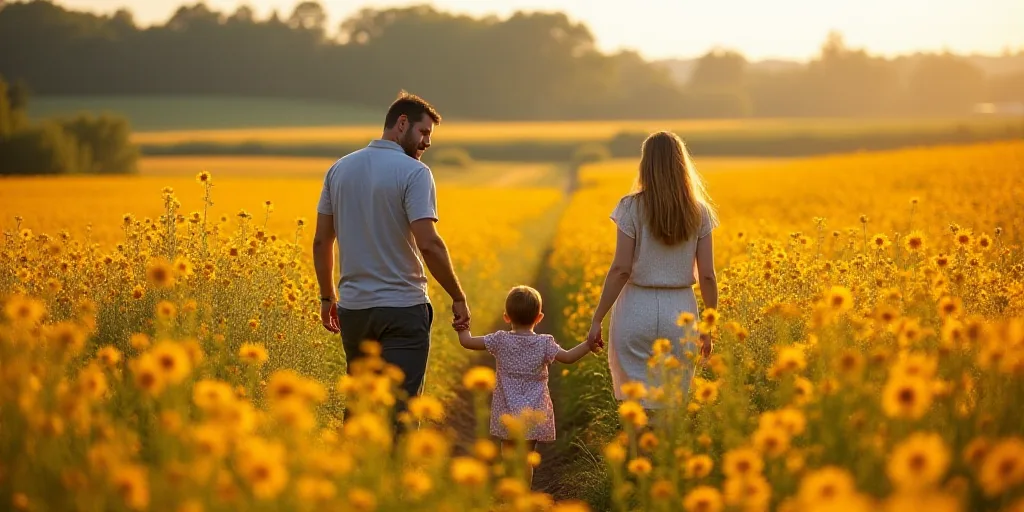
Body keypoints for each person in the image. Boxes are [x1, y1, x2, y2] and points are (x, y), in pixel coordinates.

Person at [313, 91, 471, 426]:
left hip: (354, 309)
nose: (427, 142)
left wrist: (328, 297)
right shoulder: (414, 172)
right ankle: (397, 475)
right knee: (401, 408)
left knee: (359, 406)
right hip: (403, 309)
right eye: (424, 132)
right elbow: (429, 244)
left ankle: (357, 473)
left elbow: (321, 240)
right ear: (402, 124)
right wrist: (457, 296)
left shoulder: (338, 169)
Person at [586, 131, 719, 411]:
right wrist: (709, 326)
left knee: (636, 401)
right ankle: (664, 453)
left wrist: (598, 317)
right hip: (680, 311)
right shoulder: (700, 211)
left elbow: (621, 269)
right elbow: (707, 275)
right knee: (672, 399)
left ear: (645, 164)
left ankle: (639, 450)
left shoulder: (630, 207)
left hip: (636, 308)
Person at [453, 285, 601, 486]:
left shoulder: (500, 340)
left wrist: (462, 325)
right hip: (534, 410)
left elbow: (467, 342)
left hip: (507, 409)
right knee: (526, 459)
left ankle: (512, 493)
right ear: (539, 317)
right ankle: (523, 495)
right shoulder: (545, 343)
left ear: (506, 317)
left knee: (510, 457)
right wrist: (588, 345)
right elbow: (568, 357)